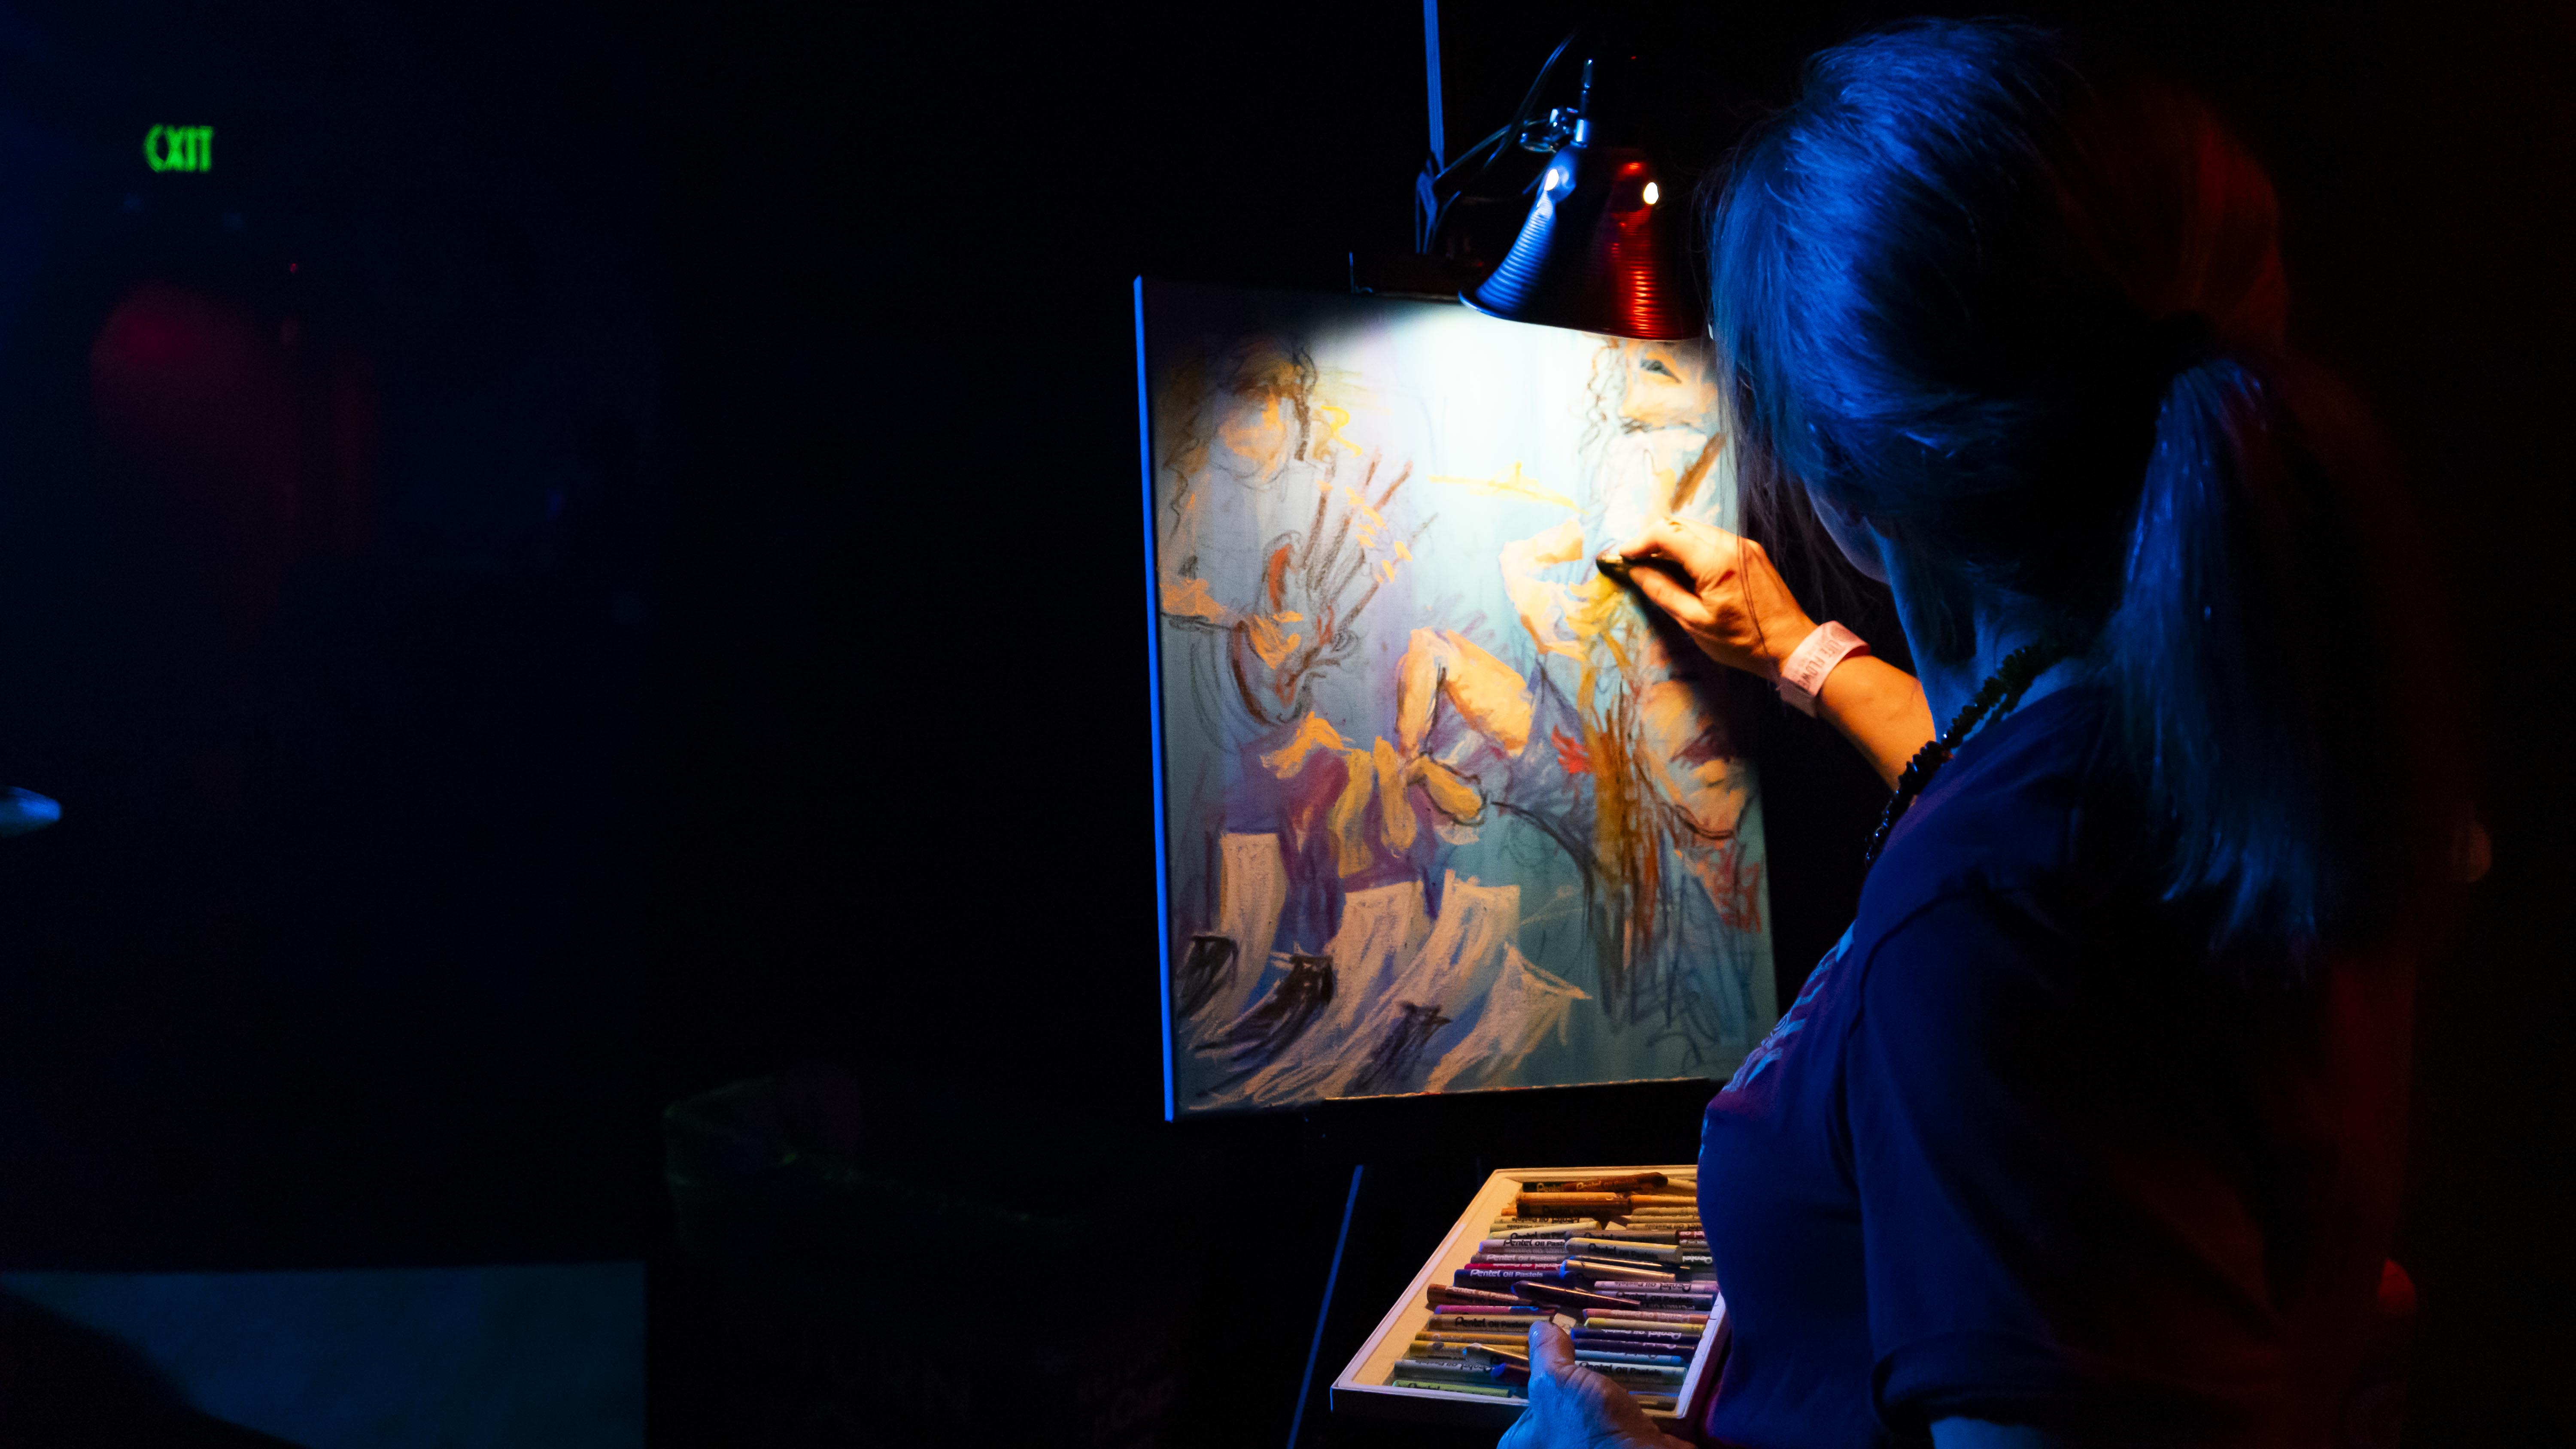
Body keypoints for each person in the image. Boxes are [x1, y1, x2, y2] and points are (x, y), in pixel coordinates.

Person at [1499, 18, 2459, 1449]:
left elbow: (2017, 909)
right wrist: (1808, 657)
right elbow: (2026, 804)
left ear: (1839, 478)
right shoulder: (2222, 727)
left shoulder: (2003, 917)